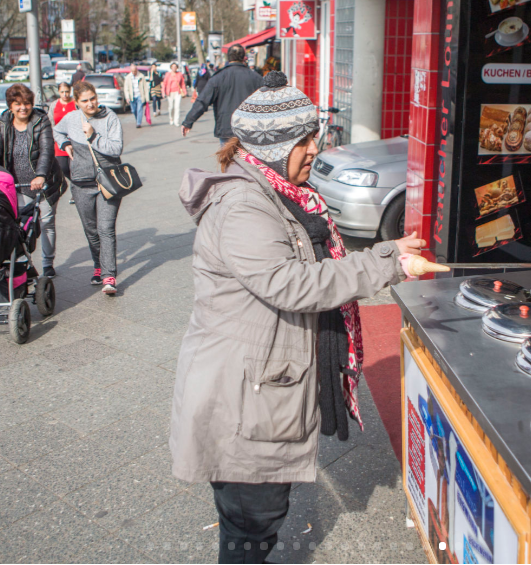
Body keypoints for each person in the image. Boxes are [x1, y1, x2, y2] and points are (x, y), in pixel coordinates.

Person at [171, 71, 426, 562]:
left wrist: (385, 253)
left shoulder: (275, 191)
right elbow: (294, 284)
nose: (315, 150)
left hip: (257, 383)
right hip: (241, 395)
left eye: (315, 137)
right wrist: (386, 263)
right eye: (304, 140)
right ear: (271, 146)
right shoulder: (245, 204)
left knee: (259, 516)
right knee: (252, 523)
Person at [0, 83, 66, 278]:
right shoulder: (2, 123)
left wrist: (40, 175)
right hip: (15, 186)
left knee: (46, 222)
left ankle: (48, 262)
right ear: (10, 106)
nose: (23, 108)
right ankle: (24, 264)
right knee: (18, 226)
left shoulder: (40, 120)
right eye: (18, 104)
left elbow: (47, 150)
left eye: (27, 103)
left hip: (43, 184)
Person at [53, 80, 125, 295]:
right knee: (91, 231)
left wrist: (93, 136)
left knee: (106, 229)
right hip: (81, 183)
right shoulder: (71, 118)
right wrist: (65, 145)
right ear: (76, 102)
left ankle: (109, 276)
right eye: (85, 101)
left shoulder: (109, 117)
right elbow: (56, 131)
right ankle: (98, 265)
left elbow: (116, 148)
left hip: (108, 182)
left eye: (93, 98)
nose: (90, 103)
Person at [181, 44, 263, 145]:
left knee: (227, 159)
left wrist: (188, 122)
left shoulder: (218, 78)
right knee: (248, 159)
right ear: (243, 57)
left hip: (226, 128)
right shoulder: (256, 78)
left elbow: (203, 101)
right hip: (250, 129)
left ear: (228, 57)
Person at [52, 80, 77, 205]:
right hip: (59, 142)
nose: (65, 94)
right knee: (63, 167)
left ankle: (75, 192)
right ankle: (75, 184)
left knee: (74, 168)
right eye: (62, 92)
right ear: (58, 92)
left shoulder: (75, 103)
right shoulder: (54, 105)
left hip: (74, 141)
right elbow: (51, 123)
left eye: (67, 91)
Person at [122, 63, 149, 129]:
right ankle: (137, 119)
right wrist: (127, 97)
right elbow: (126, 88)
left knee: (139, 109)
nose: (134, 72)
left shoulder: (141, 76)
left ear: (137, 70)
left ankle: (138, 123)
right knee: (134, 110)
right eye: (132, 71)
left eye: (135, 71)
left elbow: (145, 87)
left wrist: (147, 98)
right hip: (132, 96)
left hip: (140, 95)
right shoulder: (128, 77)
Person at [162, 61, 188, 126]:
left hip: (177, 92)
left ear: (177, 68)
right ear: (171, 67)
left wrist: (184, 92)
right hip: (170, 92)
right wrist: (163, 92)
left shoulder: (179, 74)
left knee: (177, 107)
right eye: (173, 67)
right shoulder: (168, 74)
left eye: (175, 67)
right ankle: (171, 118)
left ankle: (176, 121)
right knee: (171, 107)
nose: (174, 68)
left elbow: (182, 84)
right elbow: (164, 83)